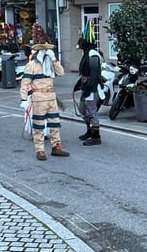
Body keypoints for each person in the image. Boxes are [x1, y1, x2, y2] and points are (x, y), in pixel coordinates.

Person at [19, 24, 70, 161]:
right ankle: (40, 150)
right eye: (43, 50)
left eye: (47, 50)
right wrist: (23, 99)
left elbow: (61, 73)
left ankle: (56, 146)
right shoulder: (32, 65)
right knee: (39, 125)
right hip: (39, 97)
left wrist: (54, 59)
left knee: (55, 123)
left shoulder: (51, 64)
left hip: (51, 97)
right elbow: (25, 82)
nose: (46, 52)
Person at [75, 26, 103, 146]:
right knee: (83, 110)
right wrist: (79, 85)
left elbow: (94, 73)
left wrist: (89, 88)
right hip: (86, 86)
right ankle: (89, 131)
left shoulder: (93, 54)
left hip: (92, 87)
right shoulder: (87, 53)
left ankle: (96, 136)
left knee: (91, 111)